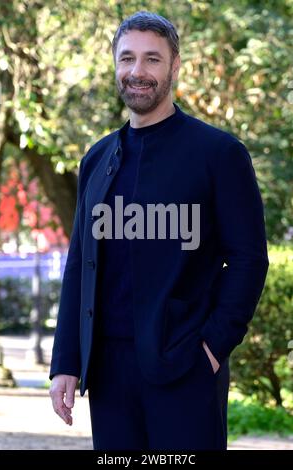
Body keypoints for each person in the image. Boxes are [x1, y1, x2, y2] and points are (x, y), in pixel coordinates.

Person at [49, 10, 269, 450]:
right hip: (109, 373)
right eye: (127, 58)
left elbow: (249, 258)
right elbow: (81, 265)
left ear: (174, 67)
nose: (138, 71)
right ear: (115, 65)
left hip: (184, 365)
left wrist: (212, 347)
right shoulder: (96, 158)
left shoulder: (219, 154)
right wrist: (66, 362)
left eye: (152, 59)